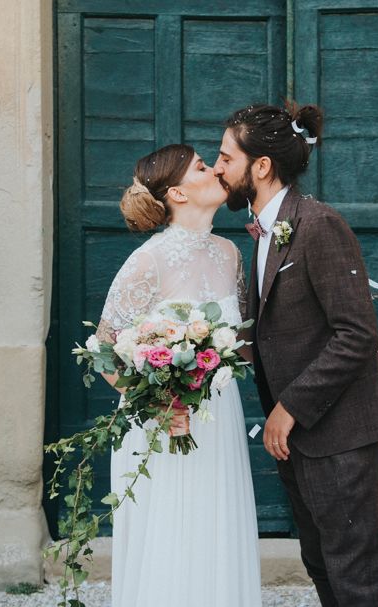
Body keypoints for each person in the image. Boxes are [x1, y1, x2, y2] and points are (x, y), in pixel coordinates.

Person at [213, 102, 378, 607]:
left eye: (226, 157)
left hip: (340, 432)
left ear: (261, 166)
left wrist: (289, 407)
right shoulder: (260, 231)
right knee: (321, 563)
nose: (216, 168)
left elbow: (357, 334)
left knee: (354, 576)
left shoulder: (318, 225)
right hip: (299, 440)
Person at [95, 144, 262, 607]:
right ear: (178, 193)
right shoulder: (148, 261)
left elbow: (243, 342)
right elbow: (105, 348)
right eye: (202, 167)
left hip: (218, 416)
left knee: (216, 526)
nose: (215, 170)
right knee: (171, 533)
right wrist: (161, 404)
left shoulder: (231, 253)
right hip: (160, 422)